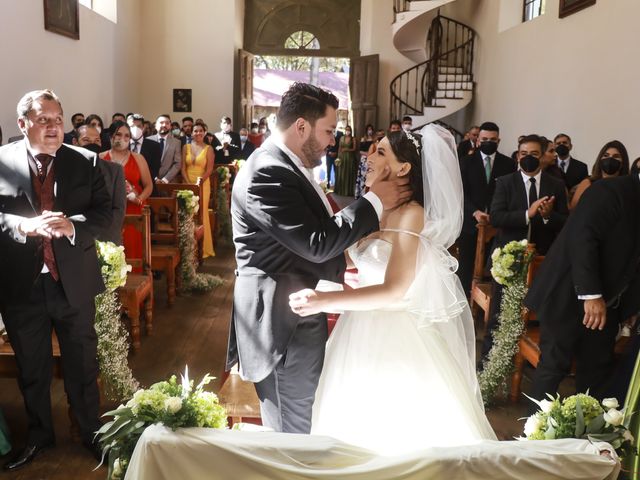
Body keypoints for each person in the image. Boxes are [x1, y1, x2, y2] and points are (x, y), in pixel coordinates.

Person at [289, 126, 496, 454]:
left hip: (396, 334)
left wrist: (326, 300)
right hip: (358, 329)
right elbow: (342, 255)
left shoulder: (412, 215)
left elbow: (395, 290)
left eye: (381, 152)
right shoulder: (374, 207)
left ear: (404, 168)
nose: (369, 157)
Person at [226, 82, 411, 435]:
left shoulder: (286, 165)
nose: (332, 141)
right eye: (328, 131)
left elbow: (304, 238)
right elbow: (314, 242)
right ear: (301, 127)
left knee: (301, 421)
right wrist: (375, 200)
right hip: (282, 323)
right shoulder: (267, 171)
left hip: (298, 309)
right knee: (292, 432)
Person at [0, 89, 112, 469]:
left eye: (58, 119)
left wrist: (72, 226)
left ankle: (90, 433)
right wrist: (19, 225)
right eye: (43, 120)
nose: (53, 127)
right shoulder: (1, 160)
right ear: (23, 124)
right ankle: (39, 436)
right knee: (32, 368)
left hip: (73, 282)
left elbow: (107, 216)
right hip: (22, 285)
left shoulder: (87, 162)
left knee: (82, 363)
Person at [525, 171, 640, 405]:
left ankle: (585, 438)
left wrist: (631, 307)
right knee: (554, 367)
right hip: (568, 294)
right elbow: (583, 238)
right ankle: (529, 438)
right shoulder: (609, 191)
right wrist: (592, 294)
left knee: (596, 374)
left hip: (610, 305)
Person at [481, 134, 568, 360]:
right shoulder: (505, 182)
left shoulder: (555, 185)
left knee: (535, 314)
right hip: (508, 259)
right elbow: (497, 217)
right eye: (524, 154)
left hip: (541, 259)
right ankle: (488, 365)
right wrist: (526, 215)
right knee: (498, 316)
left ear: (543, 157)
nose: (528, 158)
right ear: (518, 156)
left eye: (534, 154)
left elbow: (565, 221)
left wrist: (548, 216)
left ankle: (527, 360)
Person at [458, 121, 516, 296]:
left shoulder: (508, 164)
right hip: (470, 222)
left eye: (492, 139)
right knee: (466, 266)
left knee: (494, 267)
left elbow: (509, 193)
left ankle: (487, 301)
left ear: (498, 140)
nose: (488, 142)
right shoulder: (466, 162)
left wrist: (495, 214)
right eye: (484, 139)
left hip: (496, 224)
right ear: (478, 140)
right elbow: (460, 193)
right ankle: (464, 300)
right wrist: (474, 212)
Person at [100, 121, 152, 271]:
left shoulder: (138, 159)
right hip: (109, 213)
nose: (122, 138)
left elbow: (149, 185)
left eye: (127, 136)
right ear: (110, 137)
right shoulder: (101, 158)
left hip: (133, 210)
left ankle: (136, 286)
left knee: (132, 250)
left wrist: (139, 198)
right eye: (118, 134)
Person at [73, 125, 126, 245]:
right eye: (86, 140)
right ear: (75, 142)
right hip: (75, 238)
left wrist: (102, 239)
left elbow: (119, 209)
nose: (93, 144)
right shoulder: (65, 170)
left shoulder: (115, 170)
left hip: (107, 240)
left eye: (97, 140)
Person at [181, 123, 215, 258]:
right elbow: (183, 167)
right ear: (192, 132)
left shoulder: (209, 149)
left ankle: (204, 248)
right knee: (188, 213)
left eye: (201, 131)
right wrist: (188, 182)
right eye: (195, 131)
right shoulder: (186, 147)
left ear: (205, 133)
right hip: (187, 182)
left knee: (201, 212)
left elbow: (209, 169)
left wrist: (200, 181)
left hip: (202, 184)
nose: (198, 133)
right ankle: (189, 247)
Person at [570, 140, 629, 209]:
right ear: (600, 159)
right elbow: (574, 209)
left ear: (623, 162)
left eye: (616, 156)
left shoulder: (627, 187)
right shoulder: (588, 183)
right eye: (606, 155)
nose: (610, 159)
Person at [147, 114, 182, 184]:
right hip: (150, 181)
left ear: (170, 126)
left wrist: (165, 179)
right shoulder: (148, 140)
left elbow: (177, 164)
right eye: (161, 123)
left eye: (167, 123)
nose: (164, 125)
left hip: (169, 182)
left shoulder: (176, 142)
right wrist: (155, 178)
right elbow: (145, 162)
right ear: (155, 126)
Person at [334, 125, 357, 197]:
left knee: (348, 173)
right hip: (342, 157)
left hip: (350, 158)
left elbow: (354, 149)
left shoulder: (353, 139)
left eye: (349, 130)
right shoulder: (341, 138)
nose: (347, 131)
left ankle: (348, 192)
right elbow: (339, 148)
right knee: (341, 173)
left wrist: (347, 149)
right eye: (346, 129)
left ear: (351, 131)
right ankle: (340, 190)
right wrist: (338, 157)